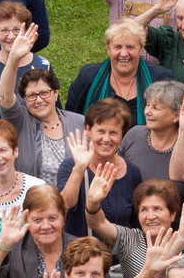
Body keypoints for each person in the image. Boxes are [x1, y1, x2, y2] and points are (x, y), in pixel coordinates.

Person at [85, 177, 184, 278]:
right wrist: (92, 202)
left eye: (157, 209)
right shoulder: (129, 239)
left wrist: (181, 239)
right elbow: (97, 223)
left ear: (172, 214)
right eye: (144, 210)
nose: (150, 216)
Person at [0, 22, 84, 189]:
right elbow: (4, 96)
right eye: (31, 96)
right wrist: (13, 58)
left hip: (72, 205)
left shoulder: (79, 123)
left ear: (56, 93)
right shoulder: (19, 120)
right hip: (31, 204)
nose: (38, 100)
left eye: (44, 93)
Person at [56, 98, 143, 238]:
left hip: (120, 256)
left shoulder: (133, 172)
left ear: (122, 134)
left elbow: (137, 221)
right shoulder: (70, 166)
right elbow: (65, 205)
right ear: (88, 130)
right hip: (81, 255)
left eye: (113, 132)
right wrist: (79, 168)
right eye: (101, 131)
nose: (107, 139)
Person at [116, 80, 184, 202]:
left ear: (176, 116)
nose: (148, 112)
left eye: (156, 108)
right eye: (147, 105)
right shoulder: (134, 134)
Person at [0, 184, 75, 278]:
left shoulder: (80, 249)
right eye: (37, 220)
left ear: (63, 218)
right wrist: (3, 246)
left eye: (52, 218)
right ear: (26, 220)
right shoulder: (14, 249)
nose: (45, 226)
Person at [66, 19, 160, 124]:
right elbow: (70, 119)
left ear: (141, 48)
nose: (124, 53)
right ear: (108, 48)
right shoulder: (88, 77)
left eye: (130, 47)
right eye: (118, 47)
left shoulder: (159, 79)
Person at [0, 1, 55, 117]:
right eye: (4, 30)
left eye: (17, 30)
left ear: (25, 32)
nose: (11, 36)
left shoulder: (43, 64)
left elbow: (55, 109)